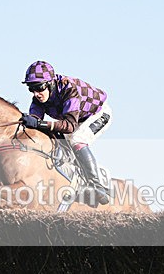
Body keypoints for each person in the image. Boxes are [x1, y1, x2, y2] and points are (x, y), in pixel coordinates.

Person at [19, 60, 113, 206]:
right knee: (58, 143)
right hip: (73, 119)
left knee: (77, 139)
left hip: (97, 114)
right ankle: (78, 181)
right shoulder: (38, 99)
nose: (36, 93)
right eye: (31, 89)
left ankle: (97, 187)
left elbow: (69, 126)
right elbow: (35, 122)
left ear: (50, 83)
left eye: (39, 87)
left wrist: (39, 123)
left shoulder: (69, 89)